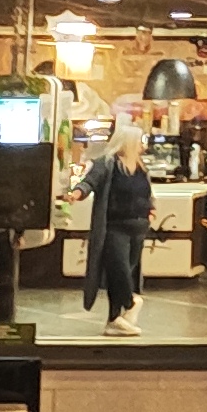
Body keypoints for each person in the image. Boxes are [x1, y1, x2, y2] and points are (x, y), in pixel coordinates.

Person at [78, 126, 155, 336]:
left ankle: (114, 319)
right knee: (119, 268)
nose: (141, 145)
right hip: (115, 226)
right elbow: (90, 182)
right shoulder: (107, 163)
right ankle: (131, 302)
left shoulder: (140, 167)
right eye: (138, 141)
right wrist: (77, 193)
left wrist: (151, 210)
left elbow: (147, 193)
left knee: (123, 272)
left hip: (138, 228)